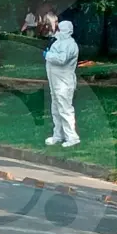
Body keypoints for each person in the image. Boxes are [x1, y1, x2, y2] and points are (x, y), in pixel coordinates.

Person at [43, 20, 80, 148]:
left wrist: (48, 55)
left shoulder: (70, 45)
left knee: (65, 109)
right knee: (56, 109)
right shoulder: (60, 43)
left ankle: (72, 137)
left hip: (64, 82)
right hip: (56, 81)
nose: (56, 31)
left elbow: (61, 59)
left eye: (58, 28)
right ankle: (58, 135)